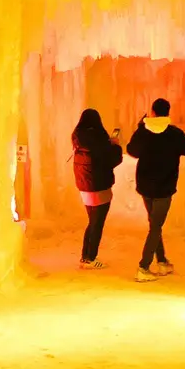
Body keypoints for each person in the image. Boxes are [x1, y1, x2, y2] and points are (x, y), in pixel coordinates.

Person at [126, 98, 185, 282]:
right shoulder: (174, 133)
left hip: (146, 187)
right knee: (156, 227)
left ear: (153, 112)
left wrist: (141, 128)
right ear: (168, 112)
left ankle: (162, 261)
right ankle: (143, 266)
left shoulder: (144, 133)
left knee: (154, 225)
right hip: (164, 187)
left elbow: (132, 150)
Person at [71, 109, 123, 269]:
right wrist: (115, 146)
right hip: (99, 186)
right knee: (97, 223)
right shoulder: (99, 139)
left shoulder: (78, 139)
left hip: (84, 187)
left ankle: (85, 257)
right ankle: (91, 258)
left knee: (92, 221)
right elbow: (112, 160)